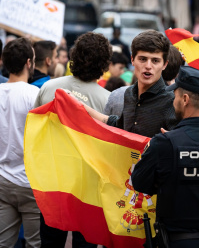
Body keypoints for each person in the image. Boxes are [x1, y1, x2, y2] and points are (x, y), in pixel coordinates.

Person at [131, 66, 199, 248]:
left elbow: (140, 183)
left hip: (176, 241)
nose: (173, 101)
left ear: (185, 99)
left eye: (175, 96)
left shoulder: (164, 143)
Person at [34, 31, 112, 248]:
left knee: (50, 242)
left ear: (74, 56)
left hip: (53, 179)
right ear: (104, 64)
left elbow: (34, 131)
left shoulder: (49, 87)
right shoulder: (107, 100)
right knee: (84, 243)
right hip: (88, 185)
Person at [82, 29, 178, 138]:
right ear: (132, 60)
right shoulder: (129, 94)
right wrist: (80, 106)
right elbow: (119, 125)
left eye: (155, 61)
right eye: (143, 59)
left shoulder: (171, 102)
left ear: (164, 64)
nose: (148, 66)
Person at [0, 37, 40, 247]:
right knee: (35, 243)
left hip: (2, 180)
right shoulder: (34, 94)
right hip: (29, 182)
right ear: (28, 62)